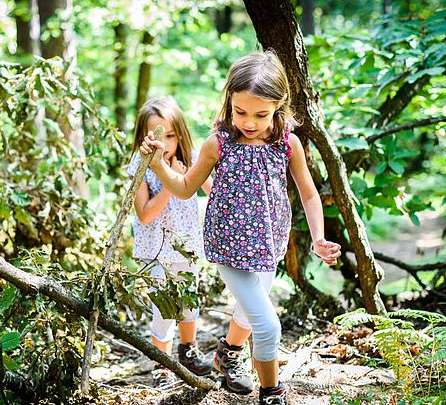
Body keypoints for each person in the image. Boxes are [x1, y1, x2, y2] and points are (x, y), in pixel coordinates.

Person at [140, 51, 341, 404]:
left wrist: (319, 237)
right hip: (228, 246)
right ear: (228, 101)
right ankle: (271, 392)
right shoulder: (218, 143)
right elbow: (186, 187)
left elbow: (309, 196)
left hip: (269, 245)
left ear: (279, 106)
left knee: (248, 313)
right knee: (268, 325)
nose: (249, 121)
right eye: (240, 111)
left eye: (261, 114)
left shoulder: (287, 143)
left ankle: (228, 353)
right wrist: (157, 166)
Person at [127, 96, 214, 389]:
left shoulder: (189, 158)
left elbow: (212, 189)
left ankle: (188, 351)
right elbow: (145, 214)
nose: (165, 143)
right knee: (164, 311)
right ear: (144, 138)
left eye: (172, 135)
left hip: (186, 246)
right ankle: (162, 366)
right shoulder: (140, 166)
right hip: (155, 252)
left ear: (181, 135)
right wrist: (171, 180)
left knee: (189, 304)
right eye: (157, 136)